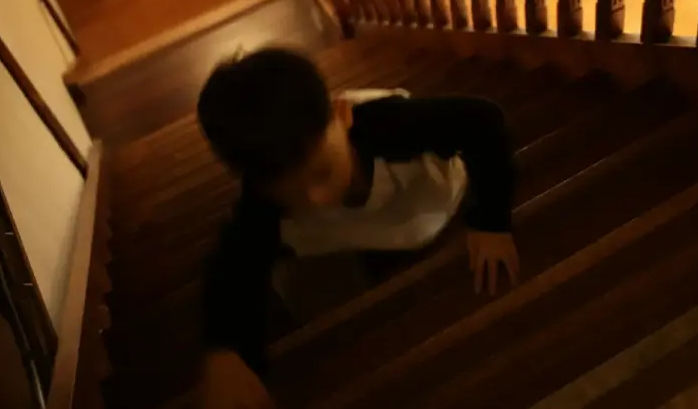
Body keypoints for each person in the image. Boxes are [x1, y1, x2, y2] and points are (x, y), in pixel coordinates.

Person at [194, 48, 520, 408]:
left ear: (342, 114)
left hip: (441, 199)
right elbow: (233, 262)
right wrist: (224, 350)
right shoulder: (262, 199)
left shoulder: (390, 123)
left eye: (322, 174)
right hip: (374, 239)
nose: (316, 200)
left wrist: (491, 221)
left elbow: (483, 121)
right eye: (291, 195)